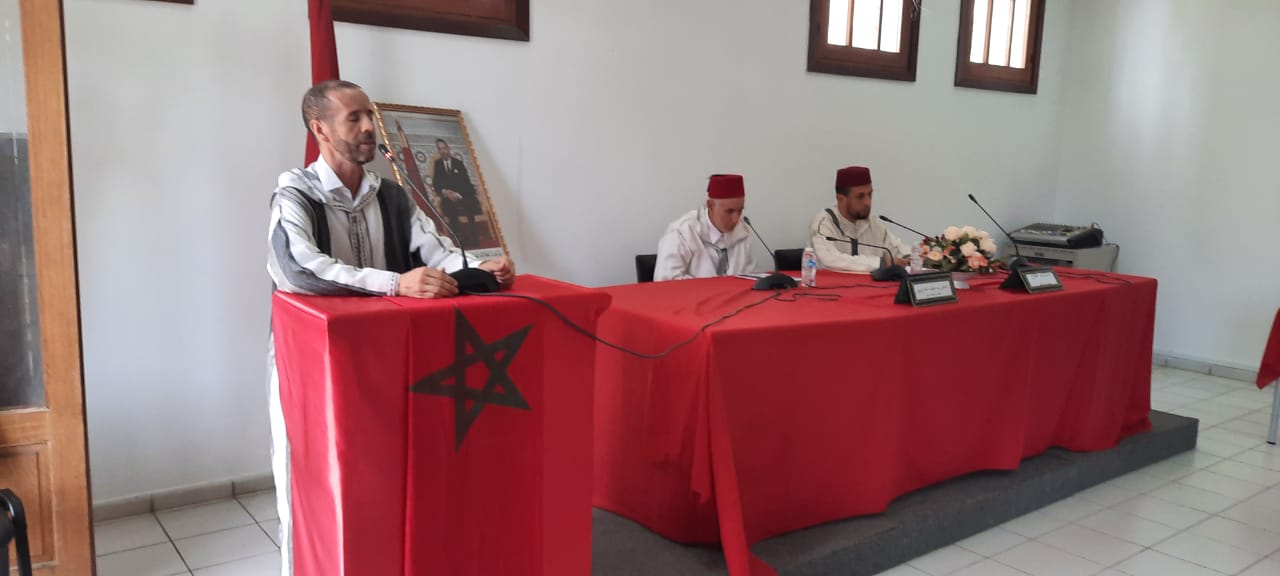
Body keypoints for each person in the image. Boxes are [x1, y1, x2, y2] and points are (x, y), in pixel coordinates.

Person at [265, 79, 515, 576]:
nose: (367, 128)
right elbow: (298, 269)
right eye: (353, 118)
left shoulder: (394, 196)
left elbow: (437, 254)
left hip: (388, 361)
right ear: (320, 129)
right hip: (313, 367)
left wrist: (481, 268)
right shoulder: (295, 193)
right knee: (318, 483)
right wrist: (396, 284)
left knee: (386, 479)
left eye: (370, 116)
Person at [654, 174, 757, 281]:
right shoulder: (681, 233)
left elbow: (750, 278)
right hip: (694, 293)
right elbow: (666, 281)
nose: (736, 219)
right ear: (710, 205)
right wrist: (714, 287)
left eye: (740, 210)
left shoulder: (742, 232)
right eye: (729, 211)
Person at [808, 166, 909, 273]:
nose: (867, 202)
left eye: (870, 194)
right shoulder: (823, 223)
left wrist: (912, 258)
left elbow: (899, 250)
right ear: (840, 199)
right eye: (860, 196)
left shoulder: (873, 224)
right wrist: (880, 263)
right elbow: (828, 259)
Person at [431, 138, 483, 246]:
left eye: (444, 148)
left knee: (469, 204)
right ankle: (459, 239)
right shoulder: (438, 164)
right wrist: (445, 191)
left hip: (461, 195)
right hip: (447, 197)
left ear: (448, 148)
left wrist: (458, 194)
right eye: (440, 149)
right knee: (448, 207)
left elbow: (466, 182)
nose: (443, 151)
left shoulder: (458, 163)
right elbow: (436, 183)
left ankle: (473, 238)